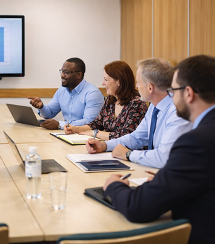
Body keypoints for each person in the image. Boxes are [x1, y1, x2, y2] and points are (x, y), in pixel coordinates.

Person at [102, 55, 215, 244]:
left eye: (174, 90)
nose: (171, 95)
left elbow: (137, 208)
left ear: (188, 93)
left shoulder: (196, 142)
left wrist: (113, 186)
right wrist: (171, 178)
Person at [86, 58, 191, 168]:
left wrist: (128, 154)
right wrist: (104, 145)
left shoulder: (178, 112)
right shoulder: (154, 107)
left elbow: (163, 158)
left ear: (150, 88)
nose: (136, 86)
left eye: (138, 82)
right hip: (153, 169)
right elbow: (136, 138)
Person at [64, 61, 148, 140]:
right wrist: (75, 129)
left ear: (119, 81)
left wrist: (94, 133)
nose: (103, 83)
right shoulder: (110, 100)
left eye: (106, 79)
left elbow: (125, 136)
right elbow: (97, 123)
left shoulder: (137, 104)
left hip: (128, 152)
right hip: (109, 148)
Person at [28, 57, 104, 130]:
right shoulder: (62, 90)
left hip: (85, 136)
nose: (62, 75)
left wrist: (60, 125)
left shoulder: (93, 93)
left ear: (78, 75)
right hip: (67, 133)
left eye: (66, 72)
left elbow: (90, 122)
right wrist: (41, 107)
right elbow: (50, 113)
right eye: (62, 71)